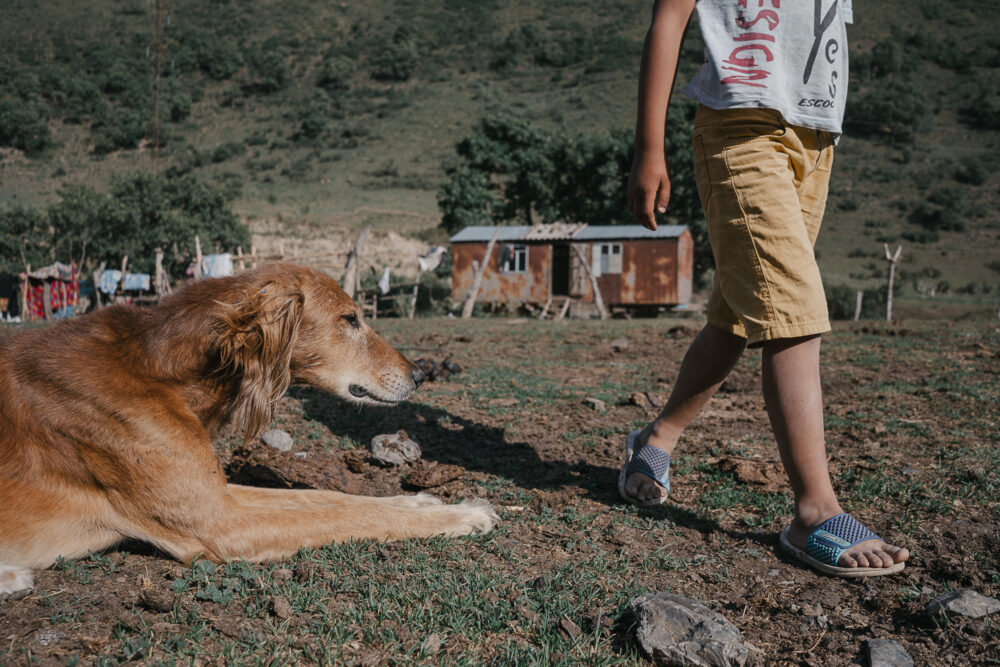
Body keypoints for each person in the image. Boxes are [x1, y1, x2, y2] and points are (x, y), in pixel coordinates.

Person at [619, 0, 910, 576]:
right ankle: (814, 511)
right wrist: (649, 148)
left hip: (817, 133)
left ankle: (657, 435)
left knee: (739, 316)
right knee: (793, 306)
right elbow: (670, 17)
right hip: (741, 126)